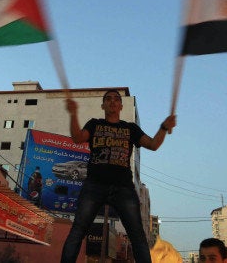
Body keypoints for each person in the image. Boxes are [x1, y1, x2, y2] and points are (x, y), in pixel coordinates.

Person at [61, 90, 176, 263]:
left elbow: (153, 145)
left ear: (121, 106)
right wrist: (73, 114)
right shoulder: (94, 124)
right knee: (78, 230)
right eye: (108, 99)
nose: (112, 101)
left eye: (116, 99)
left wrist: (164, 127)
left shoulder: (130, 128)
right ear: (103, 105)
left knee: (137, 235)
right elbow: (78, 138)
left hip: (123, 188)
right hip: (95, 185)